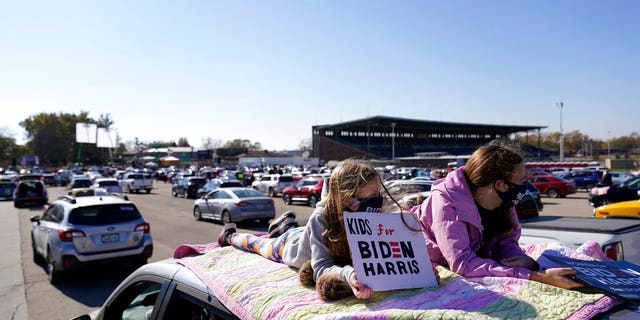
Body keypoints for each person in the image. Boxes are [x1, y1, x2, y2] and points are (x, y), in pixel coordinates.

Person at [411, 140, 583, 290]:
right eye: (521, 181)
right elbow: (462, 264)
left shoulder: (504, 201)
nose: (524, 186)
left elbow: (507, 244)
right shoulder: (445, 201)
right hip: (424, 260)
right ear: (500, 184)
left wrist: (527, 263)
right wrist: (535, 277)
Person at [217, 160, 393, 301]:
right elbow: (321, 268)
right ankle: (231, 235)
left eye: (379, 195)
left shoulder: (367, 214)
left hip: (304, 234)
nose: (377, 202)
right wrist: (347, 275)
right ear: (347, 198)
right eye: (371, 198)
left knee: (297, 232)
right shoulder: (320, 218)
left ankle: (284, 225)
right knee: (259, 244)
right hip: (289, 246)